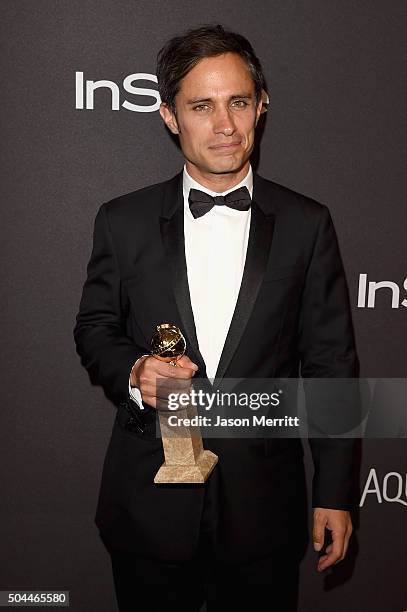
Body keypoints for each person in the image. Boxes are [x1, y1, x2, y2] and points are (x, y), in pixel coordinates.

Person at [74, 24, 359, 612]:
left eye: (238, 102)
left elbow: (331, 364)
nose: (224, 125)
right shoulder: (120, 221)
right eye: (201, 106)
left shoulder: (308, 224)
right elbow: (95, 327)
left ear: (261, 107)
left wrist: (335, 492)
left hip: (264, 509)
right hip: (147, 503)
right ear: (170, 115)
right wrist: (134, 373)